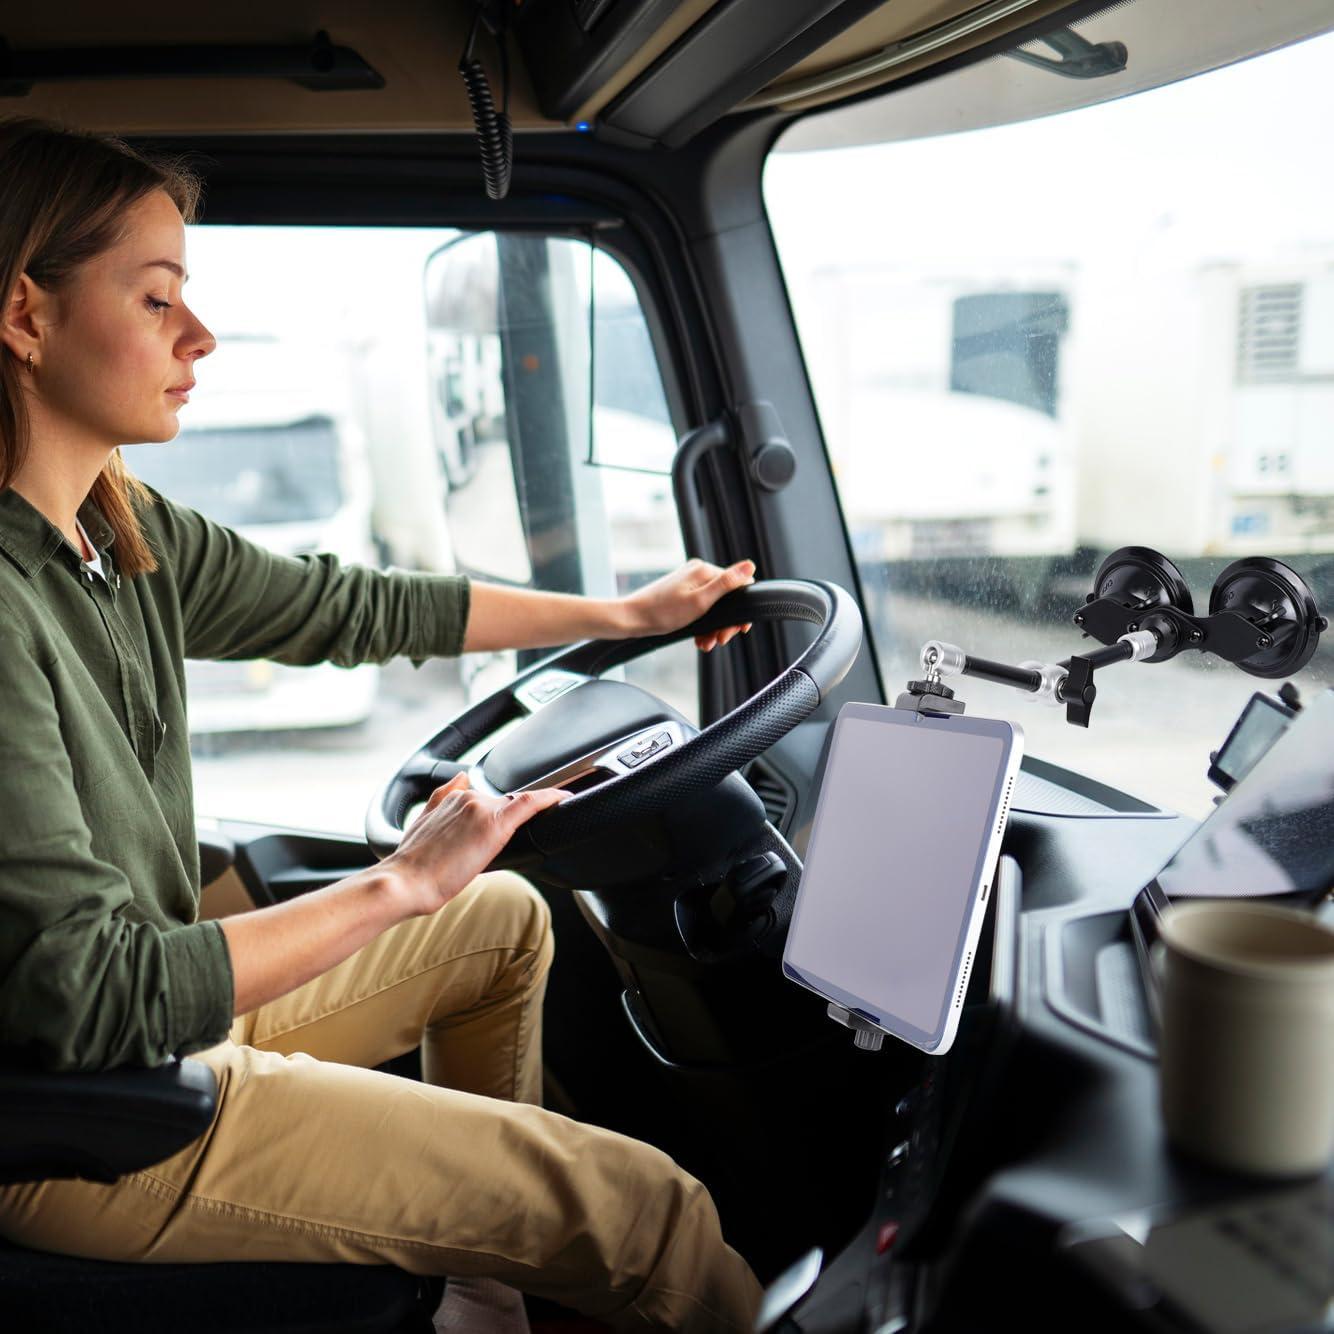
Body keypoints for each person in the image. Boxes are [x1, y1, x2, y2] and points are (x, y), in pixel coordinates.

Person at [0, 116, 764, 1333]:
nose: (198, 336)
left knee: (501, 918)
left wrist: (622, 612)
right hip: (78, 1117)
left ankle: (477, 1299)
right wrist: (398, 885)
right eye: (155, 300)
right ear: (25, 316)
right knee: (643, 1207)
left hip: (138, 1042)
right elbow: (88, 996)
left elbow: (343, 603)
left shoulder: (116, 529)